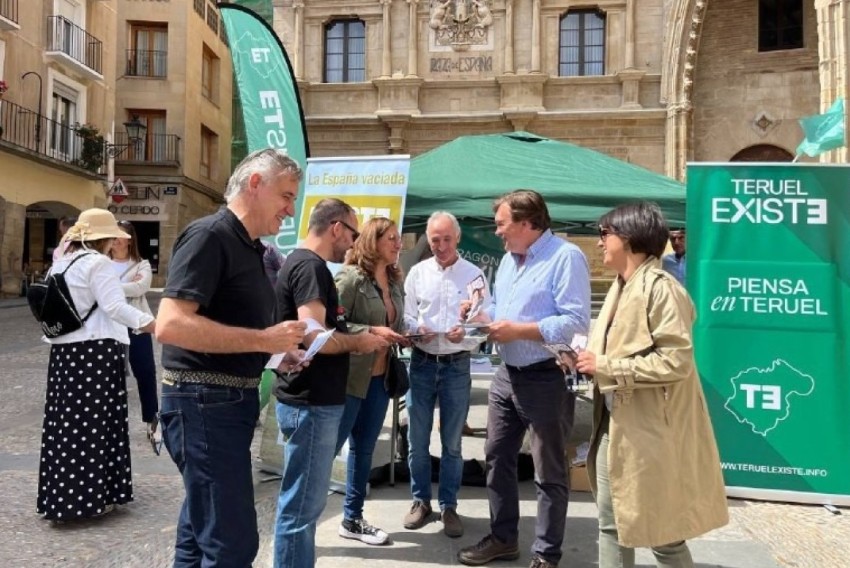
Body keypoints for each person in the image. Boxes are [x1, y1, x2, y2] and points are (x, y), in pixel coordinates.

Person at [155, 149, 308, 567]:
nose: (290, 210)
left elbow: (233, 331)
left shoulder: (251, 248)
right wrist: (263, 338)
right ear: (255, 184)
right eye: (287, 196)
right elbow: (170, 325)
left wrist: (274, 352)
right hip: (203, 404)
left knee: (198, 533)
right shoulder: (210, 235)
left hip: (224, 406)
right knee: (231, 544)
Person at [575, 203, 728, 568]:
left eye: (604, 235)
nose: (599, 244)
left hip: (651, 431)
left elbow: (676, 361)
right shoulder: (621, 286)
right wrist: (584, 362)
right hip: (614, 425)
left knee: (665, 534)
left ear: (628, 239)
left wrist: (606, 365)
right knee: (612, 526)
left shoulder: (662, 289)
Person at [458, 189, 591, 568]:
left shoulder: (566, 257)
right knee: (496, 458)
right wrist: (481, 314)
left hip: (546, 377)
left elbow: (575, 324)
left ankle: (546, 555)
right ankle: (503, 539)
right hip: (507, 374)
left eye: (502, 224)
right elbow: (501, 307)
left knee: (548, 470)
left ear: (528, 223)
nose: (497, 232)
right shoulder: (508, 260)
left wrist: (519, 330)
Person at [273, 198, 388, 568]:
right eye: (353, 233)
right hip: (311, 402)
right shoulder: (310, 267)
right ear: (336, 227)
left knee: (302, 504)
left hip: (309, 400)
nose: (354, 243)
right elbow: (313, 336)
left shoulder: (303, 263)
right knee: (301, 509)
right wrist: (360, 341)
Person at [37, 208, 155, 521]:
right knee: (96, 426)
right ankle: (92, 498)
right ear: (103, 238)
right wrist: (151, 324)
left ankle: (61, 496)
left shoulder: (61, 263)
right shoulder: (98, 263)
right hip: (95, 351)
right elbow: (115, 307)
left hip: (64, 354)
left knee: (65, 426)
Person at [403, 211, 491, 539]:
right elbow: (406, 315)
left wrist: (465, 334)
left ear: (458, 239)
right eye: (434, 239)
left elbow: (484, 322)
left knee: (453, 443)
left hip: (456, 365)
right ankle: (420, 501)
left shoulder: (474, 275)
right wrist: (416, 328)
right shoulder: (417, 273)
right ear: (428, 239)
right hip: (422, 363)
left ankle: (449, 505)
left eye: (446, 239)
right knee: (417, 440)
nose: (440, 245)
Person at [333, 217, 408, 545]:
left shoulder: (394, 280)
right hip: (348, 379)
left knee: (363, 452)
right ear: (372, 241)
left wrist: (406, 335)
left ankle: (352, 519)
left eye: (398, 238)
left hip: (380, 380)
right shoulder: (350, 279)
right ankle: (301, 519)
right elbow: (331, 326)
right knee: (328, 451)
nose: (397, 243)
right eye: (391, 238)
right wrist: (372, 331)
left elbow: (396, 322)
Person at [109, 220, 158, 440]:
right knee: (110, 376)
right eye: (113, 235)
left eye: (120, 235)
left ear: (129, 240)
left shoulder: (142, 264)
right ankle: (108, 422)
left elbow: (141, 288)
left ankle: (152, 419)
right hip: (109, 327)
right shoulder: (101, 263)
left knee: (145, 372)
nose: (116, 239)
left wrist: (107, 287)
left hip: (137, 326)